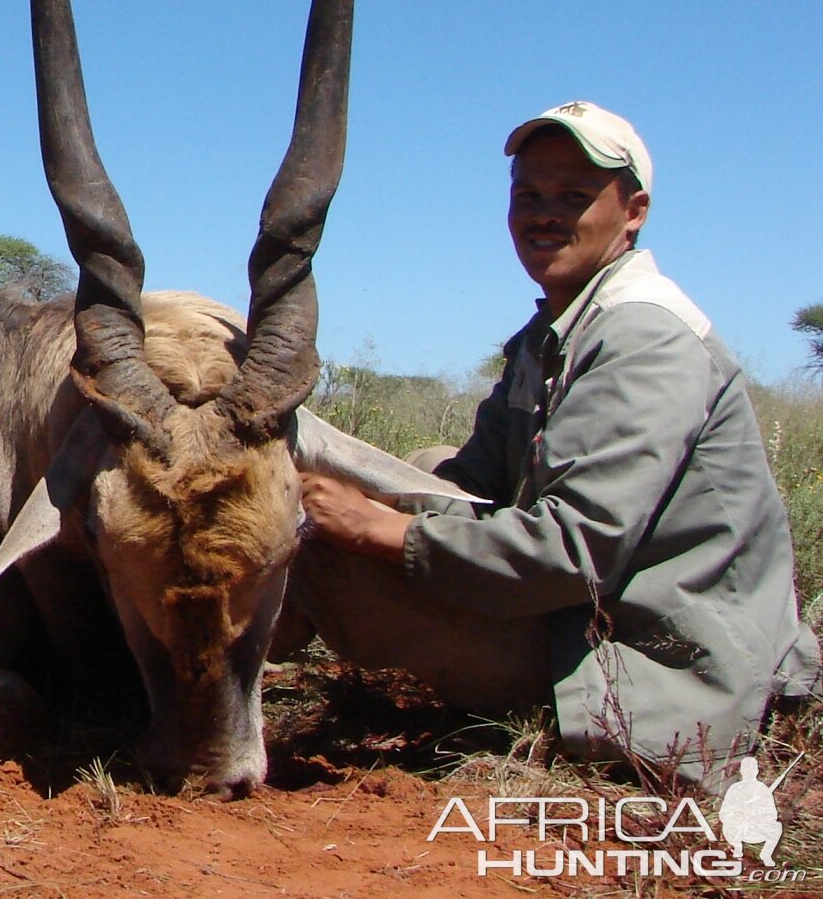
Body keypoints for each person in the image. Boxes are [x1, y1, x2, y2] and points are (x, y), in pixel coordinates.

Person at [288, 100, 817, 786]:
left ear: (633, 212)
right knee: (416, 472)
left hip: (659, 669)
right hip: (593, 614)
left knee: (320, 559)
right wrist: (355, 485)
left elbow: (575, 551)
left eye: (573, 196)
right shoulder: (552, 334)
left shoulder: (641, 338)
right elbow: (468, 485)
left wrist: (376, 533)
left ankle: (184, 722)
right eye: (528, 195)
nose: (544, 215)